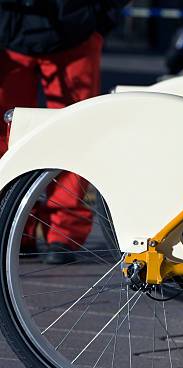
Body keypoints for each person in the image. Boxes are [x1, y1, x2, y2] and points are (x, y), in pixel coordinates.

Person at [0, 0, 129, 264]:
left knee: (74, 138)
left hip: (73, 31)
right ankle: (14, 224)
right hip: (11, 32)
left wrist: (99, 17)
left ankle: (63, 231)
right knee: (7, 137)